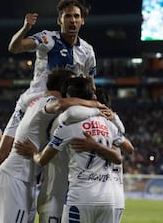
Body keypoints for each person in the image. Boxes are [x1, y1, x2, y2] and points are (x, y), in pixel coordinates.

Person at [0, 71, 106, 223]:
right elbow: (61, 104)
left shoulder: (36, 99)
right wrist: (97, 106)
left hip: (27, 180)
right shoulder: (49, 101)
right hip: (16, 177)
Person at [0, 0, 96, 183]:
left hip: (58, 110)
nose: (72, 20)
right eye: (67, 16)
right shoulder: (48, 39)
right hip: (31, 104)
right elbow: (15, 48)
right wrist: (25, 28)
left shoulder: (87, 51)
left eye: (76, 16)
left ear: (82, 21)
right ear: (59, 20)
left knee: (52, 164)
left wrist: (98, 107)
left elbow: (90, 84)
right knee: (2, 155)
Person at [15, 78, 128, 223]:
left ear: (70, 97)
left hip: (81, 197)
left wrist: (33, 152)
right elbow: (121, 154)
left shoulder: (67, 126)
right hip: (108, 199)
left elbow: (42, 160)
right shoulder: (108, 123)